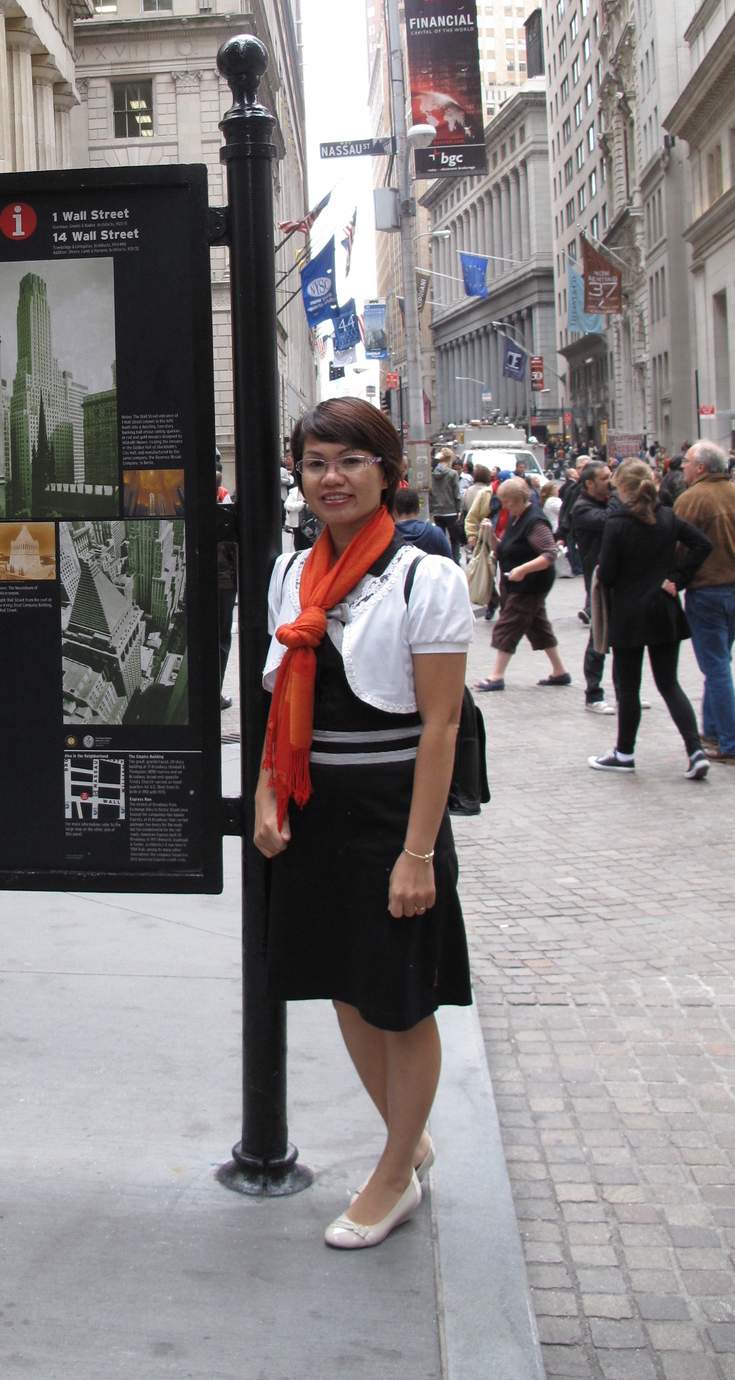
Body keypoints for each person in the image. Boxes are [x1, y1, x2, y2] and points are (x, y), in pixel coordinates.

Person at [255, 397, 473, 1251]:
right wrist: (270, 791)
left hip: (392, 809)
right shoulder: (290, 573)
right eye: (315, 462)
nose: (331, 478)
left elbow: (441, 725)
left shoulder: (426, 576)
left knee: (402, 998)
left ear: (387, 470)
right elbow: (280, 697)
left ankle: (392, 1178)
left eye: (350, 460)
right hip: (315, 806)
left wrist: (418, 851)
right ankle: (404, 1141)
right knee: (345, 983)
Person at [590, 459, 712, 778]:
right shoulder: (667, 516)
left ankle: (624, 753)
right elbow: (702, 544)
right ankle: (695, 750)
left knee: (628, 686)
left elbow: (609, 573)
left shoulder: (617, 523)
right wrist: (677, 578)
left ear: (624, 488)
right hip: (663, 608)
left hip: (629, 612)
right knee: (669, 683)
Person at [474, 478, 572, 691]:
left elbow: (549, 553)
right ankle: (560, 671)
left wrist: (523, 569)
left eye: (507, 501)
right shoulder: (516, 517)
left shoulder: (535, 520)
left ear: (519, 499)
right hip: (517, 581)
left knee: (510, 623)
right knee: (538, 625)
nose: (504, 506)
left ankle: (496, 675)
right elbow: (504, 548)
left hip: (531, 584)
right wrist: (490, 535)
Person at [674, 441, 735, 762]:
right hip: (730, 589)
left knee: (716, 666)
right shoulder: (732, 492)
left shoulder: (692, 499)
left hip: (708, 590)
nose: (682, 466)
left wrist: (672, 579)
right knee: (719, 663)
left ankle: (730, 742)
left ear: (700, 467)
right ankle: (713, 730)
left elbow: (678, 548)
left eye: (686, 461)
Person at [569, 460, 619, 713]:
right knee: (599, 636)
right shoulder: (582, 508)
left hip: (618, 578)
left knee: (622, 638)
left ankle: (625, 692)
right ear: (589, 483)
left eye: (611, 476)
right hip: (599, 581)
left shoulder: (605, 503)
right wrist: (619, 493)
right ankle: (593, 694)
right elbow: (610, 520)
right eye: (605, 478)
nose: (610, 482)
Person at [217, 448, 238, 707]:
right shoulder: (228, 509)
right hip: (224, 584)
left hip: (220, 583)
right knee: (221, 639)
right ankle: (216, 692)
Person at [392, 485, 452, 557]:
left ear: (394, 512)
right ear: (419, 509)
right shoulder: (436, 534)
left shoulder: (388, 538)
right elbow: (449, 561)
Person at [429, 448, 462, 563]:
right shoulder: (452, 474)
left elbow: (431, 493)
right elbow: (456, 493)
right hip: (451, 510)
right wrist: (459, 510)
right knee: (455, 540)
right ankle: (455, 562)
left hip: (437, 511)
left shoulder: (433, 474)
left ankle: (442, 562)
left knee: (441, 539)